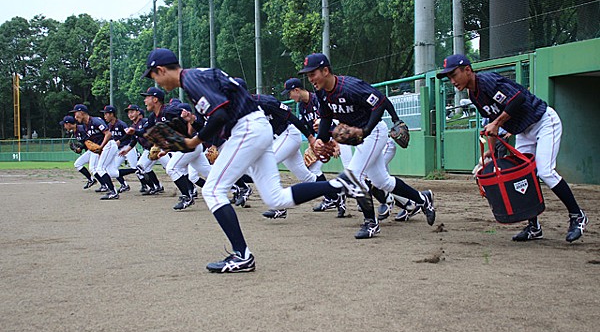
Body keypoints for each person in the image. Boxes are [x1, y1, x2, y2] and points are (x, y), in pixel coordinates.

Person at [141, 48, 368, 273]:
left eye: (154, 77)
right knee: (275, 198)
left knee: (212, 190)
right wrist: (196, 132)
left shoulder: (191, 79)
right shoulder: (197, 77)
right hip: (255, 127)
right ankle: (341, 184)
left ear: (160, 70)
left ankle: (242, 255)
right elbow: (222, 112)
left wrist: (193, 142)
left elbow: (220, 116)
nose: (157, 84)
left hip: (247, 129)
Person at [436, 54, 588, 242]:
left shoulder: (487, 82)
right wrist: (488, 154)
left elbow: (518, 98)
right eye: (449, 77)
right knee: (523, 175)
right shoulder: (473, 94)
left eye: (454, 74)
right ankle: (534, 227)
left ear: (467, 70)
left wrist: (498, 123)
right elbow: (491, 123)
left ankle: (577, 215)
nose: (452, 81)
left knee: (545, 171)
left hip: (543, 122)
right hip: (523, 131)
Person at [300, 53, 436, 239]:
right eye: (307, 75)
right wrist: (321, 140)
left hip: (374, 132)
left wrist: (367, 130)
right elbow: (325, 117)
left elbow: (379, 101)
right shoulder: (321, 93)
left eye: (312, 73)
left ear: (325, 70)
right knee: (381, 181)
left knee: (354, 175)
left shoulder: (349, 87)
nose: (310, 79)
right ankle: (423, 198)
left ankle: (371, 223)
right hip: (360, 135)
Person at [284, 77, 346, 217]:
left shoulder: (317, 100)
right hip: (320, 140)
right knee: (313, 169)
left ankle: (338, 195)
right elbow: (308, 128)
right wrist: (312, 145)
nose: (289, 96)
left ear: (297, 90)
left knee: (351, 170)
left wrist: (335, 142)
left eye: (290, 93)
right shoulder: (302, 107)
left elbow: (334, 119)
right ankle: (333, 197)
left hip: (335, 135)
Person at [69, 104, 120, 200]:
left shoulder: (95, 121)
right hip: (105, 147)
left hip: (109, 144)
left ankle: (113, 192)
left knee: (100, 169)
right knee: (110, 172)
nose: (75, 116)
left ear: (82, 113)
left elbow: (108, 134)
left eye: (76, 113)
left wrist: (101, 147)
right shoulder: (85, 126)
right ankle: (132, 171)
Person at [100, 105, 137, 193]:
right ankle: (124, 185)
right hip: (118, 150)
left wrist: (120, 141)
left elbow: (129, 134)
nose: (104, 116)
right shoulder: (108, 126)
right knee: (114, 169)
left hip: (128, 147)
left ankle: (148, 185)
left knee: (135, 168)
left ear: (112, 114)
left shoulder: (121, 124)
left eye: (106, 114)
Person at [61, 115, 97, 189]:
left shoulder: (81, 129)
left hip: (95, 150)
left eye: (64, 124)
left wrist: (80, 147)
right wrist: (81, 148)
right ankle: (91, 180)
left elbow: (89, 140)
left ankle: (106, 185)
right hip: (90, 151)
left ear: (68, 124)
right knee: (78, 164)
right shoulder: (75, 132)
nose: (64, 127)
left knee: (95, 169)